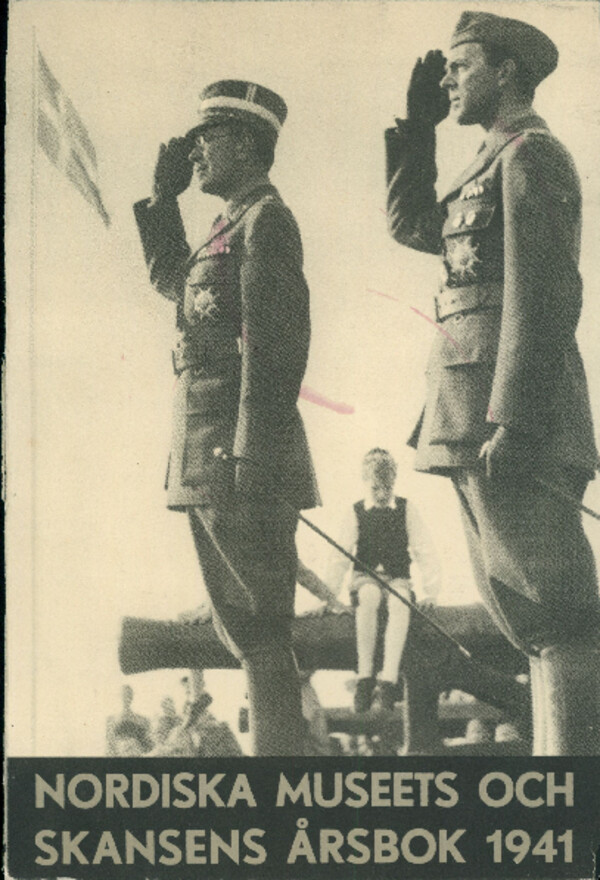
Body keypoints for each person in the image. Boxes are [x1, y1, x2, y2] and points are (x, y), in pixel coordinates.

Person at [385, 11, 600, 754]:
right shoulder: (488, 161)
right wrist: (417, 131)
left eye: (462, 64)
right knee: (530, 623)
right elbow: (414, 226)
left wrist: (515, 420)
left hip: (511, 420)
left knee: (558, 617)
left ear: (507, 71)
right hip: (469, 414)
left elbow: (545, 296)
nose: (448, 78)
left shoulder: (532, 156)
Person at [134, 81, 320, 755]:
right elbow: (178, 288)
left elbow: (277, 349)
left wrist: (250, 454)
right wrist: (163, 203)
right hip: (210, 452)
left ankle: (280, 787)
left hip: (238, 457)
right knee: (245, 632)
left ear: (244, 143)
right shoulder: (228, 226)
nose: (195, 154)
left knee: (261, 632)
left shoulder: (266, 220)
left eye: (205, 140)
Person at [327, 449, 441, 712]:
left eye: (387, 488)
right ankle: (365, 677)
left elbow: (425, 549)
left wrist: (431, 591)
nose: (382, 494)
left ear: (394, 483)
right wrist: (329, 596)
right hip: (365, 577)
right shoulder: (356, 511)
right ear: (365, 482)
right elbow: (339, 557)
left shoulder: (406, 509)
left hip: (397, 578)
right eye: (375, 488)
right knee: (369, 596)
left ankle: (388, 680)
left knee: (401, 603)